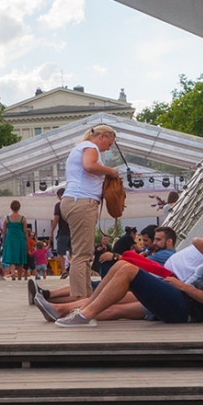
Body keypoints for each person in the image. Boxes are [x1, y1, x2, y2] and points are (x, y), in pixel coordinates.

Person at [51, 215, 203, 327]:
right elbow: (200, 243)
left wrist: (183, 286)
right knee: (122, 265)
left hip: (184, 308)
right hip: (179, 298)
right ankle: (84, 310)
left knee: (128, 269)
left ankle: (84, 315)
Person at [57, 123, 118, 303]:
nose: (108, 148)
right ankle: (79, 299)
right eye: (109, 143)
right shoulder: (90, 147)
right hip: (82, 201)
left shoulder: (81, 147)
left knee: (84, 253)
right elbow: (89, 166)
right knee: (82, 255)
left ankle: (85, 296)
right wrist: (111, 172)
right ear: (102, 136)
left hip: (75, 201)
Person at [1, 200, 30, 280]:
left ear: (11, 207)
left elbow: (4, 230)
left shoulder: (6, 218)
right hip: (20, 239)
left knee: (12, 257)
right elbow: (25, 231)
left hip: (10, 239)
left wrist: (3, 240)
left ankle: (13, 274)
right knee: (20, 257)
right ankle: (19, 276)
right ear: (19, 207)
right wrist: (27, 241)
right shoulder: (23, 218)